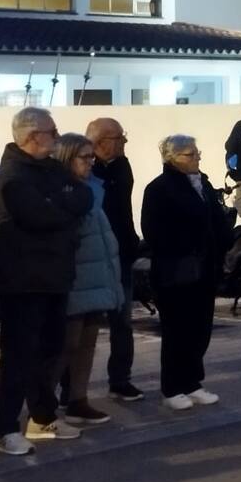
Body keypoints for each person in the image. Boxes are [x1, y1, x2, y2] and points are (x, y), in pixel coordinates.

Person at [0, 107, 94, 455]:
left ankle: (42, 417)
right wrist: (61, 205)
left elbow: (83, 197)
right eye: (52, 131)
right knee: (18, 355)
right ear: (33, 136)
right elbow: (38, 216)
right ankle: (4, 429)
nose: (57, 136)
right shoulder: (13, 175)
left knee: (50, 350)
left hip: (55, 274)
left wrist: (59, 203)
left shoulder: (51, 168)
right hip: (23, 278)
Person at [141, 135, 231, 411]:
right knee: (177, 330)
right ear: (172, 158)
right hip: (176, 271)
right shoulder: (159, 188)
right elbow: (153, 231)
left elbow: (216, 220)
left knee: (200, 328)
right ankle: (172, 387)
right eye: (189, 154)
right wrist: (186, 246)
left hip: (204, 268)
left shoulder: (202, 184)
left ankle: (192, 382)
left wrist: (222, 244)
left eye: (196, 152)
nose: (196, 158)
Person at [53, 134, 124, 425]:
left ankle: (78, 399)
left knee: (87, 343)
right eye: (85, 157)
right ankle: (43, 406)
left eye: (91, 156)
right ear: (67, 158)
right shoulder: (61, 190)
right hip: (75, 278)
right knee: (65, 345)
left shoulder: (92, 187)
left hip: (96, 277)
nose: (91, 162)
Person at [84, 117, 143, 403]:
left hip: (120, 252)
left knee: (123, 322)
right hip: (91, 257)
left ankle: (120, 379)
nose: (124, 142)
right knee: (84, 326)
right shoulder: (84, 169)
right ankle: (70, 389)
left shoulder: (121, 165)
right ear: (98, 142)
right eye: (118, 137)